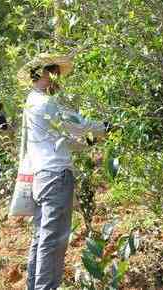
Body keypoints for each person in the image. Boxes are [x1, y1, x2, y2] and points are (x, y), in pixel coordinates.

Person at [17, 53, 113, 290]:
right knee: (54, 240)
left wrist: (88, 142)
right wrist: (106, 128)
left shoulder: (31, 102)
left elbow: (60, 138)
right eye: (56, 74)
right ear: (46, 74)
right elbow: (78, 124)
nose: (58, 79)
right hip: (56, 176)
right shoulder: (46, 103)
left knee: (42, 237)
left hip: (42, 176)